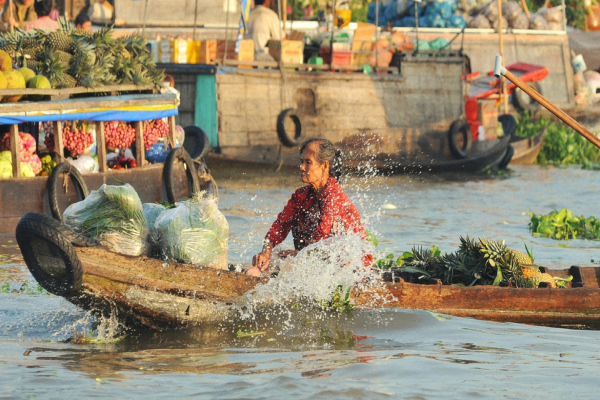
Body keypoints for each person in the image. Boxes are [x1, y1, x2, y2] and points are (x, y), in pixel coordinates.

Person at [246, 138, 370, 277]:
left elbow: (322, 235)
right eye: (302, 161)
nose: (302, 167)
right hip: (312, 262)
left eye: (308, 162)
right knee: (267, 262)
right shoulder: (301, 196)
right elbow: (281, 225)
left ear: (324, 166)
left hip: (349, 271)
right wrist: (266, 251)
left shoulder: (334, 197)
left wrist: (299, 255)